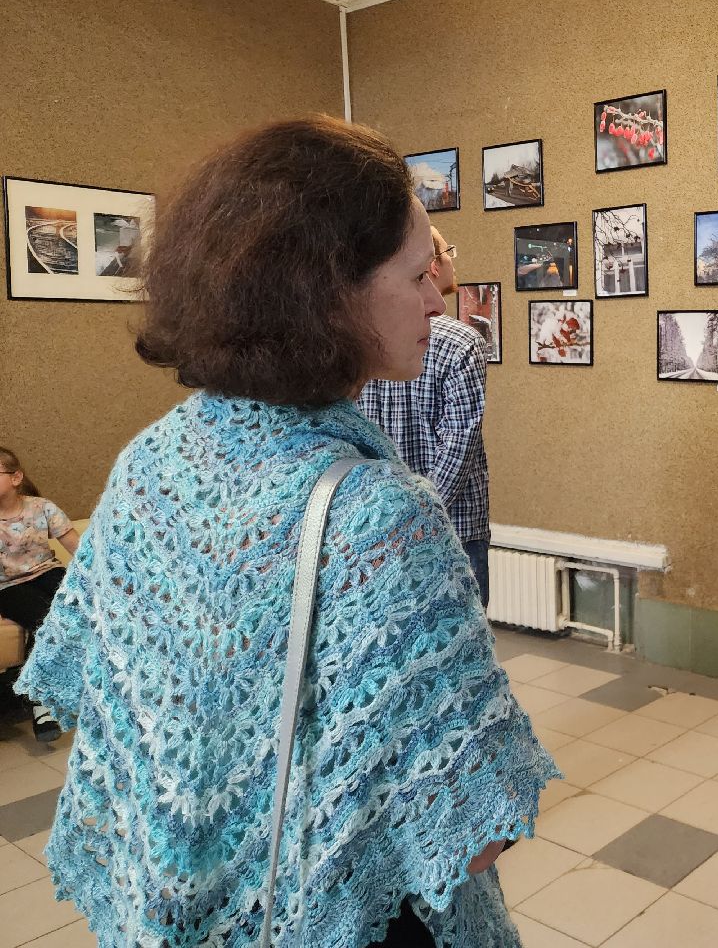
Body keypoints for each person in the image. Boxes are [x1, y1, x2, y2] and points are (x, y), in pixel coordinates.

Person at [17, 116, 557, 947]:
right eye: (417, 274)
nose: (439, 297)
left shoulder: (148, 463)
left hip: (175, 911)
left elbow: (108, 701)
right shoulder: (379, 516)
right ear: (328, 292)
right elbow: (476, 833)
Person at [358, 225, 493, 607]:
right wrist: (423, 517)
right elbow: (458, 448)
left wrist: (396, 519)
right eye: (448, 253)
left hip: (382, 523)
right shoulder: (463, 342)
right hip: (453, 526)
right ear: (430, 266)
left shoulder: (369, 341)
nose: (452, 262)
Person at [0, 447, 79, 741]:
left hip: (47, 571)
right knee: (44, 620)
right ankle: (40, 702)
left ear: (16, 477)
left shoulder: (41, 507)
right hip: (8, 585)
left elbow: (78, 550)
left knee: (74, 612)